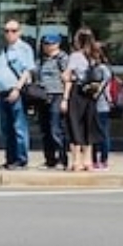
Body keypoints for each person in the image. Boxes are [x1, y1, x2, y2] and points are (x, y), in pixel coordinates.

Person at [0, 19, 36, 170]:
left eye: (13, 30)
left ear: (19, 32)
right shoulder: (4, 50)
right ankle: (10, 158)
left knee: (19, 126)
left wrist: (17, 89)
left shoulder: (24, 48)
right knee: (6, 128)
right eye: (6, 31)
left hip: (15, 91)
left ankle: (21, 159)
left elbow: (27, 70)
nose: (9, 34)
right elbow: (0, 70)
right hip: (2, 91)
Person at [62, 26, 100, 172]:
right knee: (88, 126)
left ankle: (76, 161)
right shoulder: (95, 55)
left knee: (74, 125)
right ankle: (88, 160)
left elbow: (67, 77)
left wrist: (65, 98)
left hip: (77, 92)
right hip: (91, 94)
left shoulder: (75, 56)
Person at [36, 31, 68, 168]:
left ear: (58, 44)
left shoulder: (62, 58)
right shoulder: (41, 59)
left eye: (51, 43)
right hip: (43, 96)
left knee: (56, 129)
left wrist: (65, 99)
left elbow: (68, 80)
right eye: (45, 43)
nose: (47, 46)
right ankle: (50, 159)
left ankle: (62, 158)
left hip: (57, 95)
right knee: (45, 130)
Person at [90, 40, 114, 171]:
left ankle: (103, 160)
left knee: (102, 133)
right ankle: (94, 159)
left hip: (101, 104)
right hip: (95, 104)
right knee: (94, 133)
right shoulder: (95, 66)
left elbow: (101, 86)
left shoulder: (102, 68)